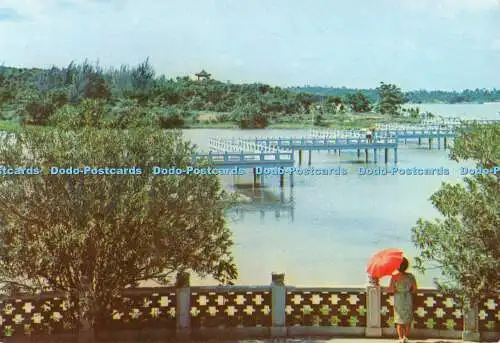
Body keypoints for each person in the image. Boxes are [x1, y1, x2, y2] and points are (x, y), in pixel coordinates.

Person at [386, 257, 417, 343]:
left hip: (399, 299)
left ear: (397, 267)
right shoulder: (411, 276)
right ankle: (405, 338)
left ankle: (400, 338)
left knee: (399, 320)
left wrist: (397, 289)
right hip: (408, 299)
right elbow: (414, 289)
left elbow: (391, 289)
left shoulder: (394, 277)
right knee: (407, 320)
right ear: (406, 266)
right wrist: (408, 289)